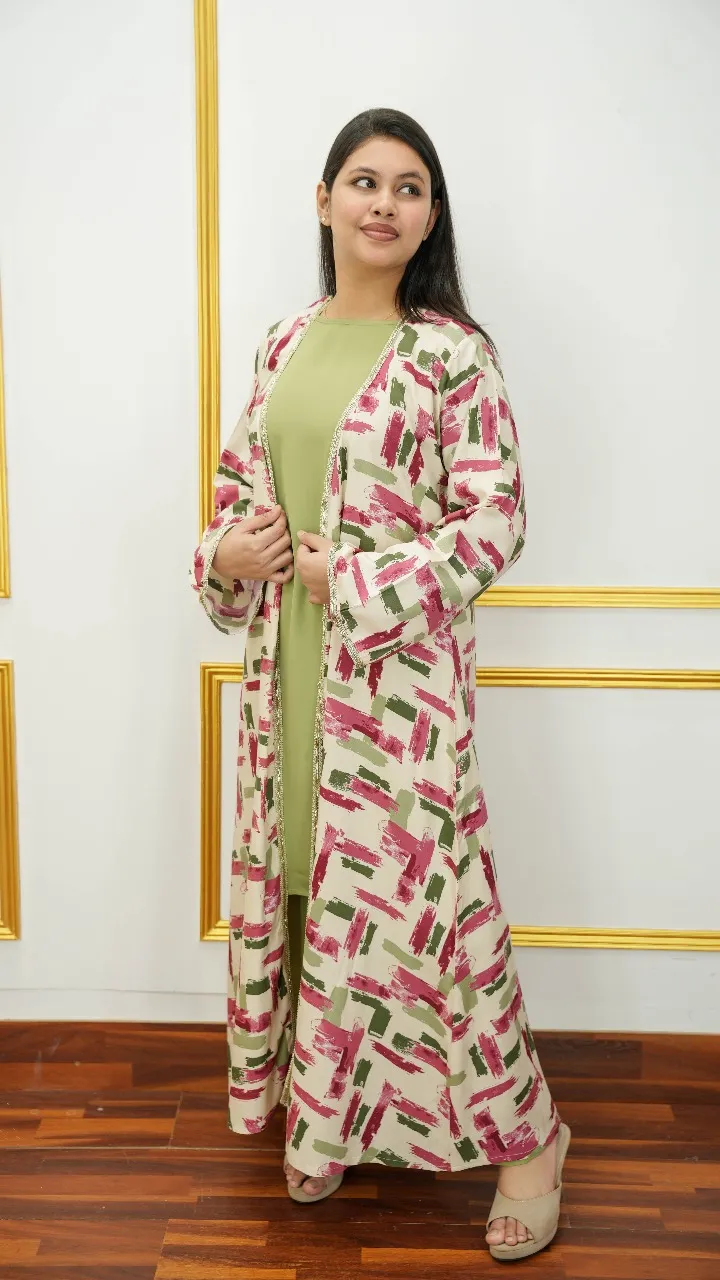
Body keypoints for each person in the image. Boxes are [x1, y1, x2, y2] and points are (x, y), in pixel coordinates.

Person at [191, 106, 571, 1263]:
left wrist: (347, 575)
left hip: (397, 700)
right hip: (284, 685)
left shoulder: (454, 355)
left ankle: (531, 1140)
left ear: (430, 216)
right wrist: (227, 555)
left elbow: (493, 525)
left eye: (410, 187)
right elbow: (233, 498)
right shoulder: (280, 344)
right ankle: (328, 1115)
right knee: (314, 904)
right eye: (364, 181)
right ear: (323, 201)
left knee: (438, 918)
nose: (384, 203)